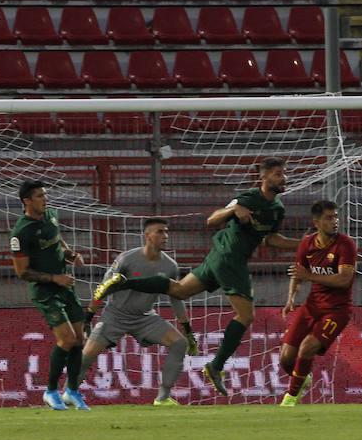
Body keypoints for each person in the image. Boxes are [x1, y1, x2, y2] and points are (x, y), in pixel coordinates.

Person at [90, 157, 299, 397]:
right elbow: (212, 220)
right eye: (277, 174)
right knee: (246, 314)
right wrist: (233, 209)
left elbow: (271, 239)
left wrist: (303, 244)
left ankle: (125, 283)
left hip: (221, 259)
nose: (283, 178)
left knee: (180, 290)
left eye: (284, 174)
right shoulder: (249, 198)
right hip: (229, 258)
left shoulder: (277, 209)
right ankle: (216, 365)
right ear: (263, 178)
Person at [82, 217, 198, 407]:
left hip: (145, 317)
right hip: (115, 315)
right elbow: (104, 288)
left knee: (180, 343)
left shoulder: (170, 266)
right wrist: (89, 316)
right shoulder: (126, 259)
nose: (165, 236)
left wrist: (187, 328)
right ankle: (69, 392)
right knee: (86, 356)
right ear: (147, 236)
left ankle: (163, 398)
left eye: (166, 231)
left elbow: (176, 297)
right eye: (160, 231)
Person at [11, 179, 89, 411]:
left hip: (65, 287)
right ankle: (51, 391)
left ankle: (72, 391)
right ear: (27, 201)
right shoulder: (21, 232)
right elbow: (22, 272)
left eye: (45, 195)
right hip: (45, 292)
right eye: (39, 196)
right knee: (66, 339)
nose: (45, 199)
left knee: (79, 339)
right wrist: (55, 278)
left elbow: (57, 240)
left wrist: (70, 254)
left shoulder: (51, 215)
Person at [278, 200, 357, 407]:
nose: (335, 222)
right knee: (286, 358)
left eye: (336, 217)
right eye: (329, 218)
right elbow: (298, 273)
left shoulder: (345, 244)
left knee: (307, 348)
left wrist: (310, 276)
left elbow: (344, 279)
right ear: (317, 223)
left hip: (336, 310)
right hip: (311, 307)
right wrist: (291, 299)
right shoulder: (307, 244)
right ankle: (301, 377)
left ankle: (291, 398)